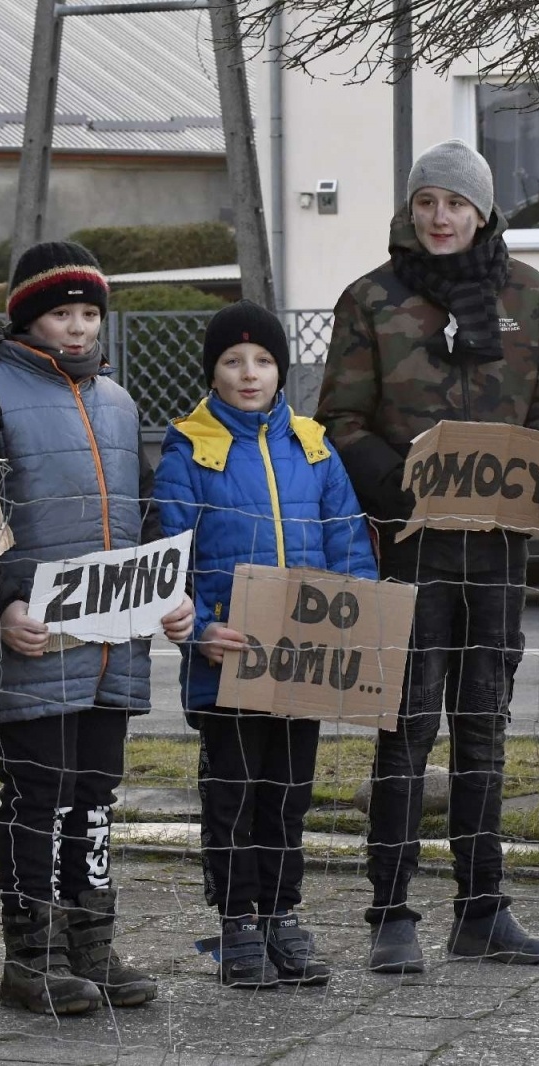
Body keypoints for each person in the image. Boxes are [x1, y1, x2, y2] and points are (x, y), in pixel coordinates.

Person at [315, 139, 539, 973]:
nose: (440, 217)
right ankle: (391, 909)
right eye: (427, 201)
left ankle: (482, 908)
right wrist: (388, 484)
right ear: (410, 207)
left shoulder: (527, 297)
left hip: (496, 552)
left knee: (484, 732)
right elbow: (340, 418)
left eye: (455, 204)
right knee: (405, 728)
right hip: (409, 549)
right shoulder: (370, 299)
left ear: (483, 211)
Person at [0, 241, 194, 1015]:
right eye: (63, 313)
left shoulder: (120, 404)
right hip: (30, 640)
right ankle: (32, 956)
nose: (80, 328)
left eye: (91, 313)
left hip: (109, 646)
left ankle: (92, 942)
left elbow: (142, 519)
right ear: (29, 317)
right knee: (38, 793)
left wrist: (167, 592)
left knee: (94, 794)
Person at [154, 301, 377, 988]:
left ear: (280, 369)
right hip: (228, 663)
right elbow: (167, 559)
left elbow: (347, 545)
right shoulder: (189, 450)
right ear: (212, 372)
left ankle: (282, 914)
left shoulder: (313, 446)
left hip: (301, 663)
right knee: (233, 794)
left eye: (262, 360)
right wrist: (196, 631)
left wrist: (355, 622)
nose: (248, 374)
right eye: (232, 361)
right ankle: (237, 922)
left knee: (288, 793)